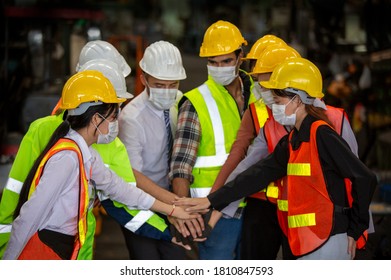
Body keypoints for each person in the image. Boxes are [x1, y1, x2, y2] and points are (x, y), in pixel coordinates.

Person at [175, 57, 377, 260]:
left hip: (330, 240)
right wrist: (211, 201)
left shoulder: (321, 134)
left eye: (278, 102)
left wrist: (356, 229)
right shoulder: (292, 140)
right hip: (308, 242)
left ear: (297, 100)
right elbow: (256, 175)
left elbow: (365, 178)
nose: (274, 107)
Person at [2, 70, 198, 260]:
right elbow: (30, 216)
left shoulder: (87, 154)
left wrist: (171, 210)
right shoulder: (67, 159)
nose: (115, 124)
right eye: (113, 117)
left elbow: (121, 190)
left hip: (64, 246)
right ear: (96, 119)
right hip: (50, 246)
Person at [208, 44, 302, 260]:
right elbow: (241, 160)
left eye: (265, 80)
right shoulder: (259, 113)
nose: (260, 87)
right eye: (257, 80)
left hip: (301, 207)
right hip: (262, 204)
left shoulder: (322, 119)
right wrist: (214, 202)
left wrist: (357, 229)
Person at [169, 20, 253, 260]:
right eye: (213, 63)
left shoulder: (259, 93)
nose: (219, 68)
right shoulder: (195, 102)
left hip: (258, 204)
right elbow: (180, 167)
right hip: (216, 213)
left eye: (226, 61)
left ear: (240, 57)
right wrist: (186, 213)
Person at [117, 40, 200, 260]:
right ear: (144, 79)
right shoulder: (131, 118)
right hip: (141, 204)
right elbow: (134, 177)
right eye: (159, 85)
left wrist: (178, 205)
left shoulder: (180, 103)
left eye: (172, 85)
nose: (167, 91)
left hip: (173, 197)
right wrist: (173, 206)